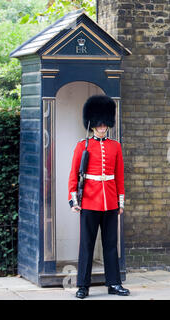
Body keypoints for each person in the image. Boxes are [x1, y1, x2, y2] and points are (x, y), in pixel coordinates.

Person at [68, 95, 130, 299]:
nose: (102, 127)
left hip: (110, 201)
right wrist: (74, 201)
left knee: (110, 245)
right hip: (89, 201)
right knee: (86, 244)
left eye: (105, 124)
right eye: (99, 124)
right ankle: (83, 286)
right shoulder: (82, 146)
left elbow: (119, 175)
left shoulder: (115, 146)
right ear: (92, 124)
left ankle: (113, 283)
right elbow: (74, 174)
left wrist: (120, 200)